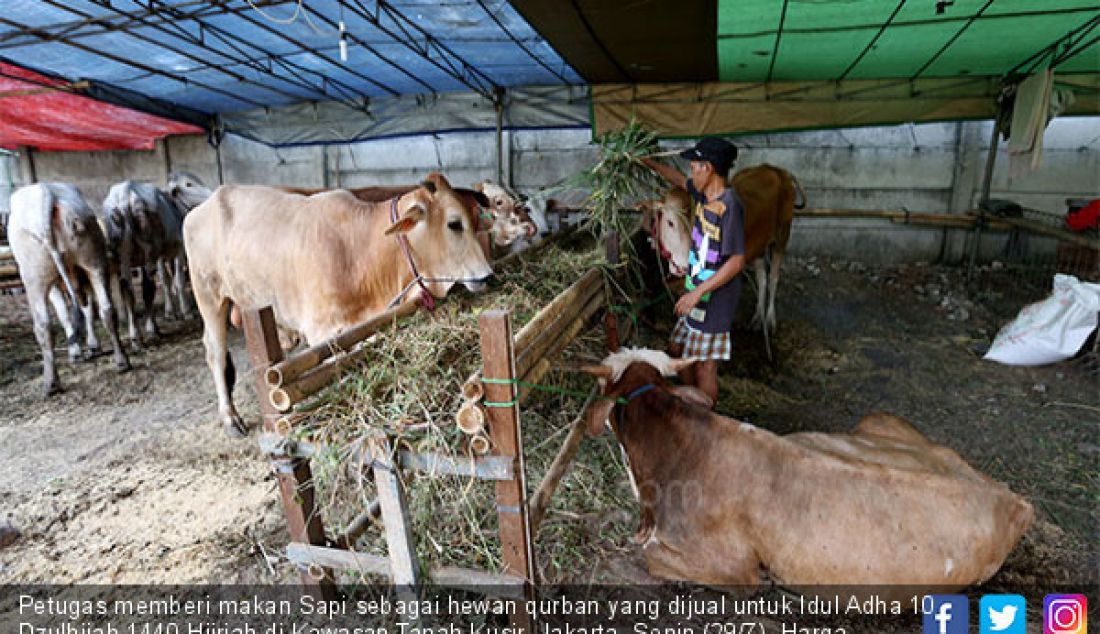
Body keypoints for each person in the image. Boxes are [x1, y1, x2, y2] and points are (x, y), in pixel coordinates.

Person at [642, 137, 745, 406]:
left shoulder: (730, 206)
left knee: (704, 366)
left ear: (707, 168)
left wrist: (696, 293)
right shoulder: (702, 195)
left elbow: (736, 261)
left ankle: (705, 416)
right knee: (677, 348)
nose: (690, 172)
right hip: (697, 292)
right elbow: (677, 179)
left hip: (715, 299)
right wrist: (648, 162)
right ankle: (694, 401)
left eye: (694, 166)